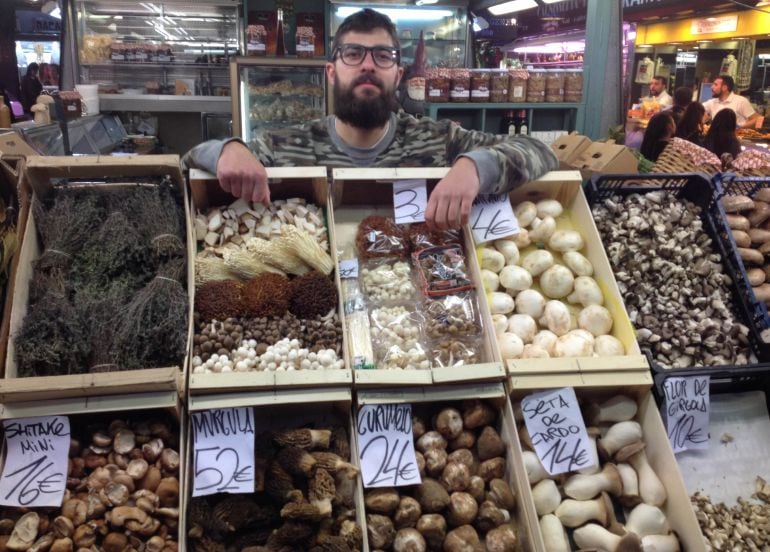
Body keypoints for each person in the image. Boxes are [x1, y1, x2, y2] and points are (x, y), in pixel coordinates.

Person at [183, 9, 557, 230]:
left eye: (382, 56)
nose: (366, 65)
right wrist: (226, 151)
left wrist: (476, 168)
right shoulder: (287, 146)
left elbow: (541, 150)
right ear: (331, 72)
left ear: (398, 74)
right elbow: (187, 163)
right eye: (353, 54)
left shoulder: (440, 140)